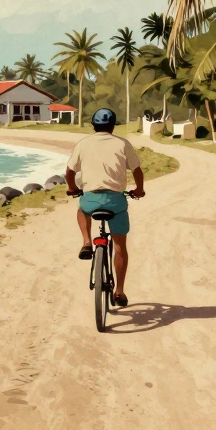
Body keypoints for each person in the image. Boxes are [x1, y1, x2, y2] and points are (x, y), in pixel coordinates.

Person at [65, 107, 145, 308]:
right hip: (115, 202)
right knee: (120, 248)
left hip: (91, 200)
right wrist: (139, 190)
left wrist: (73, 188)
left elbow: (69, 172)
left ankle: (86, 242)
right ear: (112, 126)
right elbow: (137, 170)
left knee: (82, 209)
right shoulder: (122, 143)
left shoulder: (83, 144)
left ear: (93, 125)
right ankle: (119, 291)